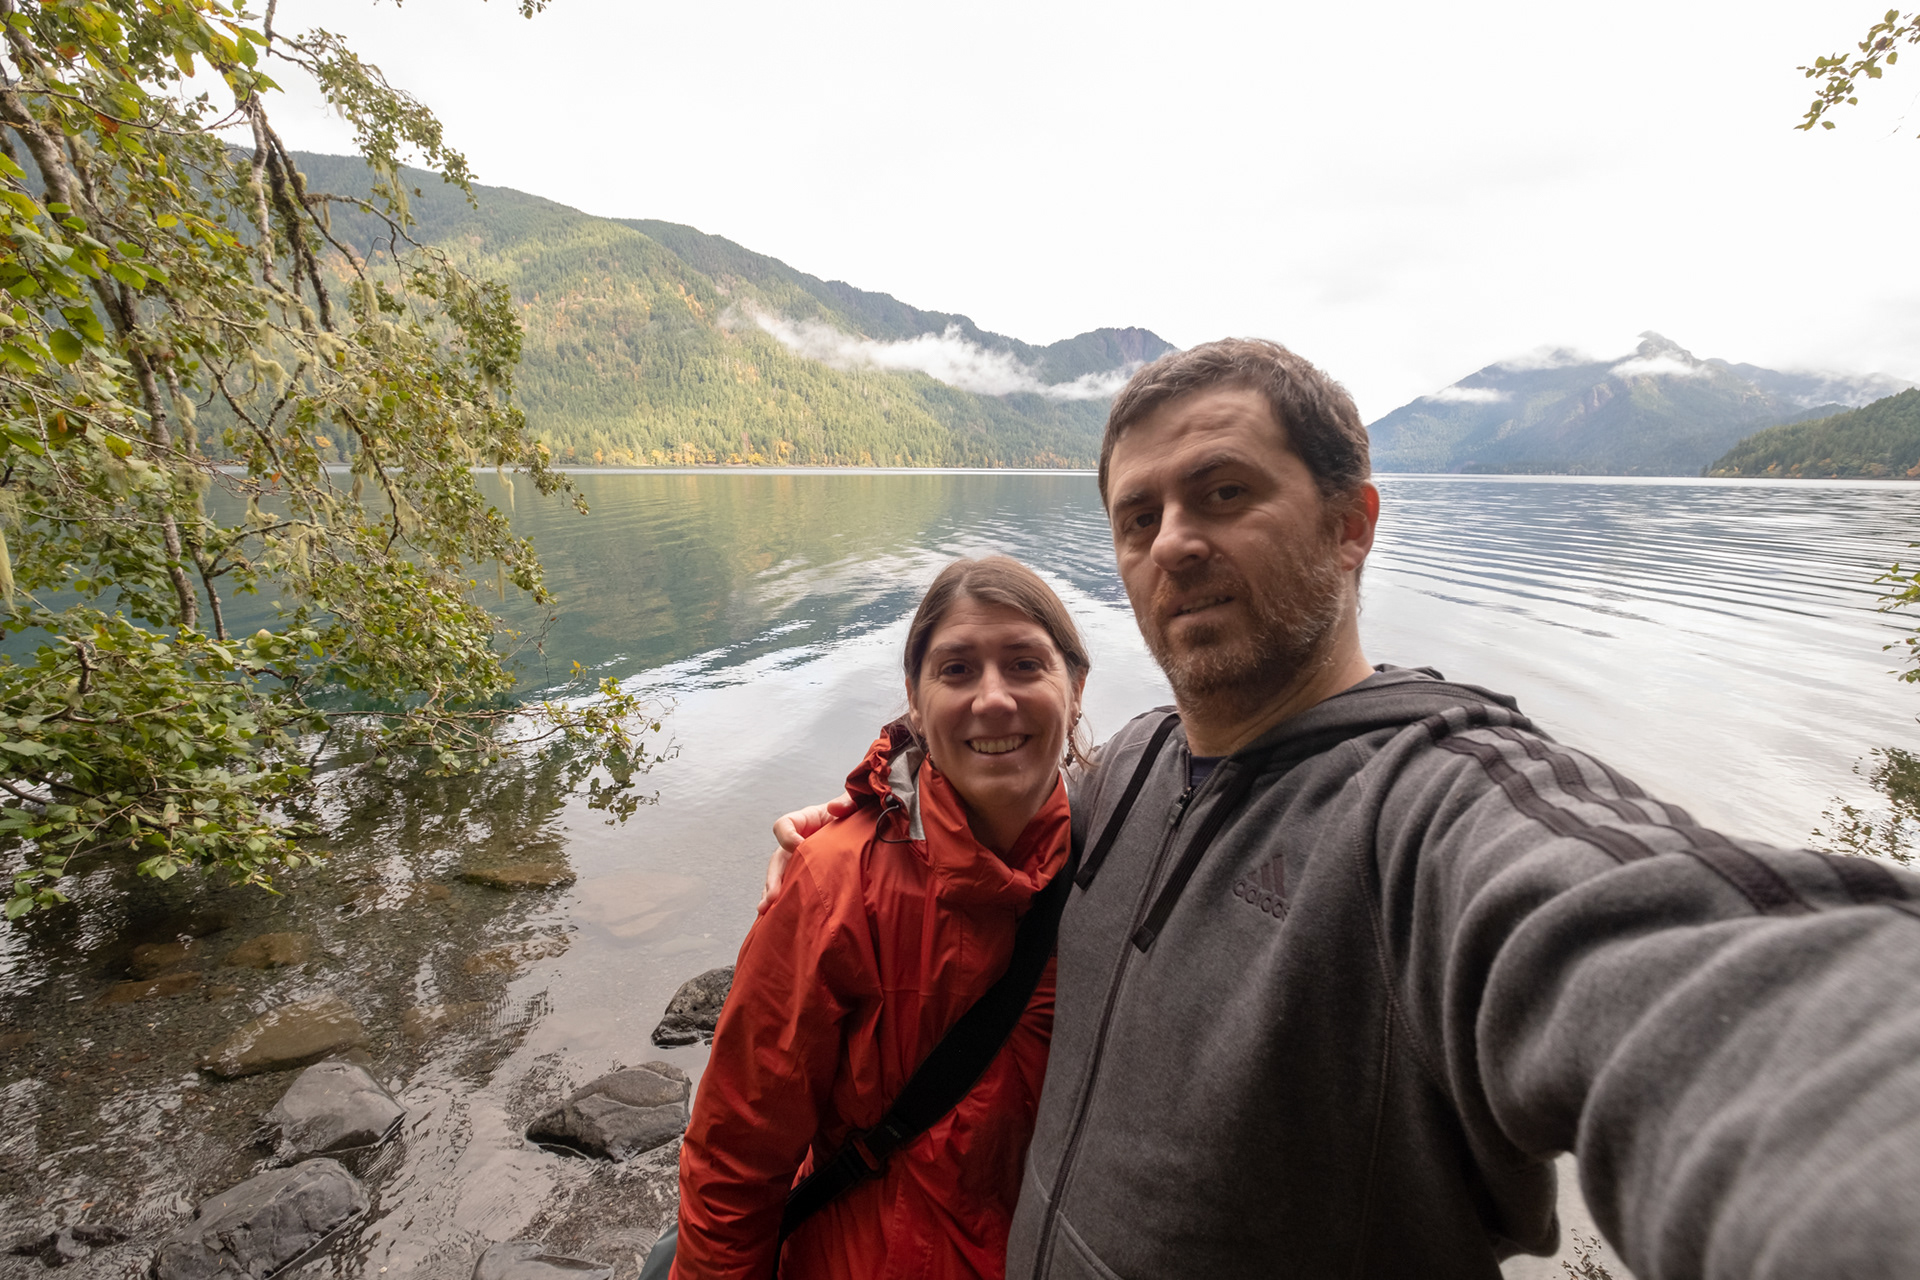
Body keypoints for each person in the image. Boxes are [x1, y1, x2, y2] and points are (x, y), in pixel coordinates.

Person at [766, 339, 1920, 1279]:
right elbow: (993, 845)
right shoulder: (1123, 775)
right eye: (1138, 516)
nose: (1175, 540)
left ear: (1352, 522)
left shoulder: (1433, 804)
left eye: (1224, 491)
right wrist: (877, 824)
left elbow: (1709, 972)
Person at [669, 555, 1093, 1280]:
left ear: (1075, 688)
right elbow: (737, 1156)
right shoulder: (837, 882)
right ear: (915, 703)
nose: (993, 698)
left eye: (1025, 664)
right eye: (956, 670)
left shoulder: (1121, 856)